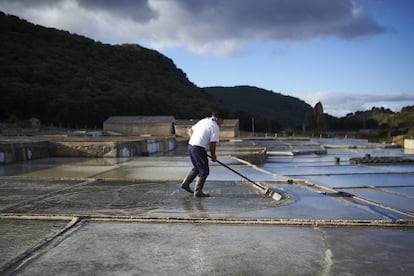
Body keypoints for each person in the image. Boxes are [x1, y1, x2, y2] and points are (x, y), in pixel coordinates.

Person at [181, 112, 224, 197]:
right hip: (198, 148)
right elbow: (213, 143)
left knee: (197, 168)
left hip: (191, 146)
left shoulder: (204, 121)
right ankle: (198, 192)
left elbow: (190, 130)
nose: (222, 123)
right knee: (204, 170)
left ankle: (185, 184)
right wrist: (213, 155)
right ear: (218, 118)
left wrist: (193, 139)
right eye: (222, 121)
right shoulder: (215, 126)